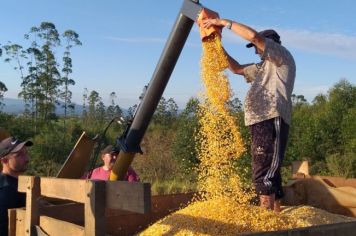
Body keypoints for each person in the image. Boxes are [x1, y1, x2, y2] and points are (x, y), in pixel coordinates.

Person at [202, 17, 296, 212]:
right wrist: (216, 43)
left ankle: (266, 221)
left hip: (271, 117)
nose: (255, 50)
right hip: (259, 119)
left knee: (263, 173)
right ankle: (277, 217)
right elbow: (236, 69)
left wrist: (223, 22)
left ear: (272, 44)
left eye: (258, 46)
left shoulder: (281, 57)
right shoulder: (262, 68)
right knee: (270, 171)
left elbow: (253, 36)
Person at [0, 136, 33, 235]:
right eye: (19, 155)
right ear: (4, 160)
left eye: (26, 153)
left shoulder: (22, 184)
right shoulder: (6, 191)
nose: (27, 159)